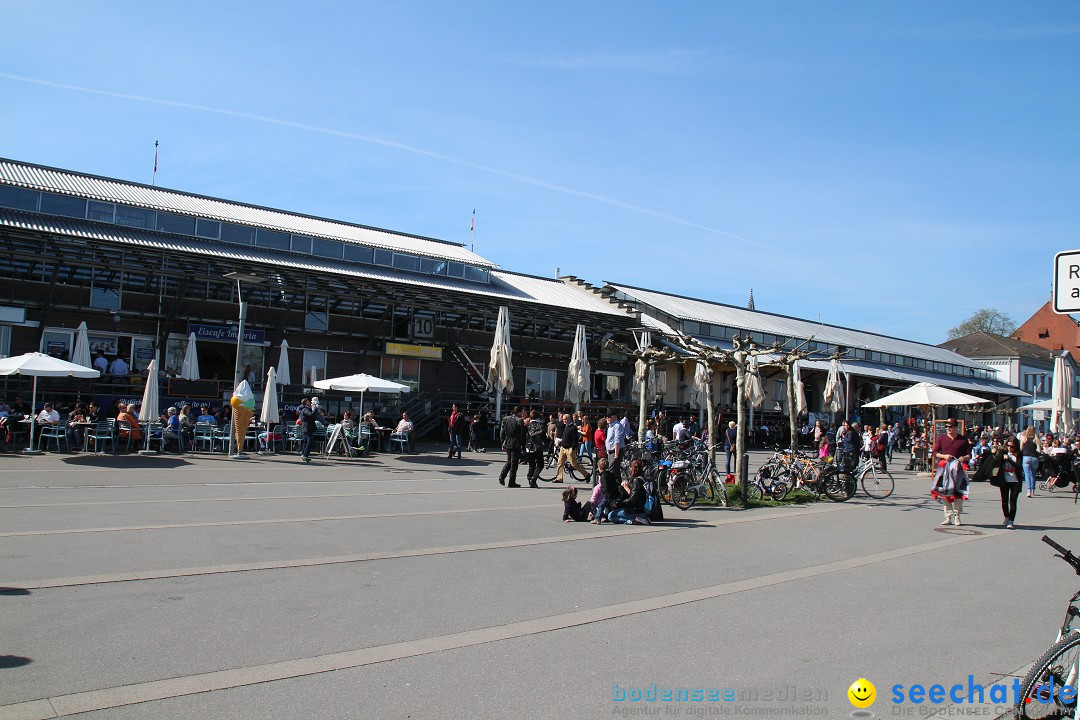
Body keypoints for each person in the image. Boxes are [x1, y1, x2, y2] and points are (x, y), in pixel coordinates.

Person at [975, 437, 1023, 529]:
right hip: (1004, 480)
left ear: (1016, 446)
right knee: (1004, 501)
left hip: (1015, 480)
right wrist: (992, 453)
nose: (1009, 448)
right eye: (1008, 445)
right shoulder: (1003, 452)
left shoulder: (1019, 454)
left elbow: (1019, 467)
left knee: (1013, 501)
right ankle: (1006, 516)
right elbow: (992, 459)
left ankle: (1011, 521)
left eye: (1012, 446)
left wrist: (1009, 460)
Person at [932, 419, 971, 526]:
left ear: (955, 427)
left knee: (958, 493)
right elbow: (935, 452)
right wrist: (944, 456)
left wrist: (964, 458)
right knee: (945, 493)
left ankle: (957, 516)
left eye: (950, 427)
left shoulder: (962, 440)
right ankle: (948, 517)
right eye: (946, 427)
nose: (948, 429)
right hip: (945, 470)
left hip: (958, 470)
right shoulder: (942, 438)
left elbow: (969, 455)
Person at [555, 413, 589, 483]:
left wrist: (572, 448)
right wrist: (560, 444)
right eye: (564, 419)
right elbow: (564, 437)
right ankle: (559, 478)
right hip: (563, 448)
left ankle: (586, 475)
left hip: (569, 448)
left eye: (566, 419)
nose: (564, 421)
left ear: (569, 419)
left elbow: (575, 439)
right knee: (560, 463)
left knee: (574, 464)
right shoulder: (566, 427)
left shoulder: (573, 427)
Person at [497, 407, 525, 488]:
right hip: (515, 442)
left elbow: (502, 432)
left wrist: (503, 441)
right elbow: (521, 435)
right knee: (514, 463)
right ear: (519, 412)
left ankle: (503, 476)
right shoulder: (519, 420)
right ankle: (510, 481)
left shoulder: (506, 419)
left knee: (510, 460)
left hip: (508, 441)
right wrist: (523, 445)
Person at [297, 397, 324, 463]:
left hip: (307, 427)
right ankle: (305, 455)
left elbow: (313, 415)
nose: (310, 402)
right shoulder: (305, 409)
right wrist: (315, 409)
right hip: (307, 427)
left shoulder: (307, 409)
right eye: (308, 401)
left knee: (306, 441)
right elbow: (311, 415)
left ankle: (303, 454)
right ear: (306, 402)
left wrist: (316, 410)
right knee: (310, 441)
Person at [524, 409, 546, 488]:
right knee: (540, 464)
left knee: (531, 464)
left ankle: (529, 477)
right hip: (537, 447)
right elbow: (544, 436)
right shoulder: (540, 425)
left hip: (529, 446)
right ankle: (534, 479)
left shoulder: (527, 424)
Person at [1021, 427, 1040, 498]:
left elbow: (1021, 448)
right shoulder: (1036, 438)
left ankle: (1028, 491)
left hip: (1026, 457)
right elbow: (1039, 450)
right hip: (1034, 457)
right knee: (1033, 474)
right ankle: (1033, 490)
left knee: (1027, 474)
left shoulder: (1024, 438)